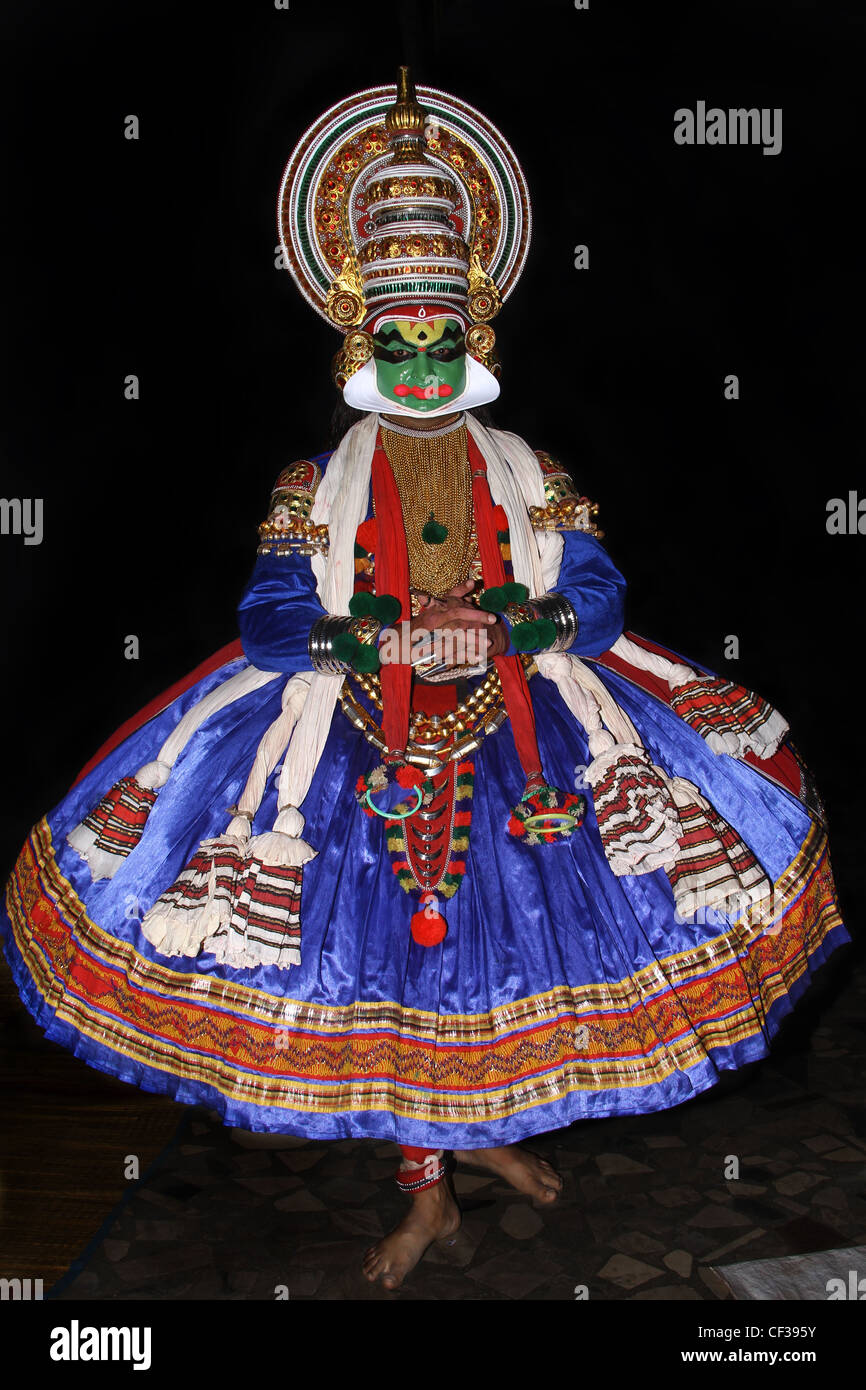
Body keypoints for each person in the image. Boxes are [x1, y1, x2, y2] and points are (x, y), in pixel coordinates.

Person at [1, 69, 848, 1292]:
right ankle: (426, 1192)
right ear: (358, 339)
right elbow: (269, 626)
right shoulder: (311, 483)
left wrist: (513, 618)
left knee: (493, 969)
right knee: (396, 973)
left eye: (435, 336)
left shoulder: (530, 465)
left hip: (526, 725)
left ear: (472, 335)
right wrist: (381, 639)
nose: (414, 359)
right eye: (392, 339)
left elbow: (598, 603)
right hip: (344, 742)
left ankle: (475, 1135)